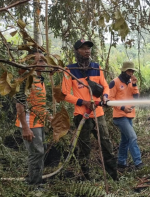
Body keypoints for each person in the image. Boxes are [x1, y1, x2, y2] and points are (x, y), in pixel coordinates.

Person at [61, 39, 118, 181]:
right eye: (83, 48)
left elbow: (105, 86)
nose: (87, 51)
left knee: (106, 144)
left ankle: (113, 176)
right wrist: (83, 102)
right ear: (77, 51)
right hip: (82, 115)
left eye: (89, 48)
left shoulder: (96, 67)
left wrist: (105, 96)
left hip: (98, 114)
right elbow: (64, 94)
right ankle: (87, 178)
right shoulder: (70, 70)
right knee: (85, 148)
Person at [15, 50, 49, 186]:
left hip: (39, 122)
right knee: (36, 153)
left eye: (44, 60)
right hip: (30, 123)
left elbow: (39, 103)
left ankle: (36, 180)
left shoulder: (40, 79)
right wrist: (25, 128)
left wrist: (49, 117)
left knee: (40, 152)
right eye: (39, 60)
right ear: (30, 63)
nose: (43, 63)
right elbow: (19, 105)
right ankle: (34, 185)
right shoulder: (26, 79)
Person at [109, 61, 143, 171]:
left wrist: (134, 84)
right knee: (133, 137)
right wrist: (123, 107)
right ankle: (138, 163)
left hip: (129, 116)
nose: (131, 73)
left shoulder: (130, 83)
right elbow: (110, 99)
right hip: (120, 116)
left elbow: (136, 97)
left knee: (125, 140)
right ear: (123, 71)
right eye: (129, 71)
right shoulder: (115, 82)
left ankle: (121, 163)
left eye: (132, 71)